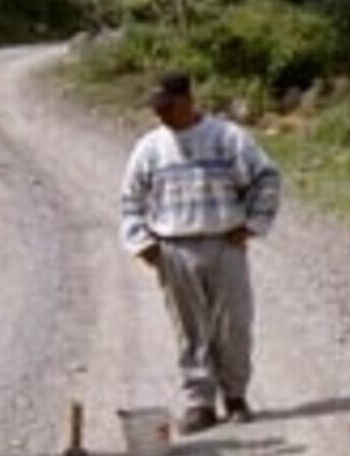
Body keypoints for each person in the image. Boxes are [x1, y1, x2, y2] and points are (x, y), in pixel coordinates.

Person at [119, 71, 280, 435]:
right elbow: (130, 200)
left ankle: (236, 397)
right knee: (190, 330)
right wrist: (142, 243)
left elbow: (267, 178)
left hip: (225, 241)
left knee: (233, 324)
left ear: (189, 101)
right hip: (174, 248)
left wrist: (252, 224)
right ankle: (200, 403)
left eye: (169, 107)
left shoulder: (227, 138)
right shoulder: (149, 147)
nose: (162, 115)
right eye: (157, 109)